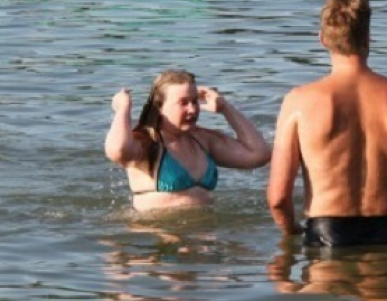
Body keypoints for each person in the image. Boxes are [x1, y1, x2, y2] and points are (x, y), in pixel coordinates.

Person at [267, 0, 387, 248]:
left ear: (322, 39)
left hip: (327, 234)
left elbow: (278, 198)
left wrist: (292, 231)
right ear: (368, 38)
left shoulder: (299, 101)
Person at [104, 69, 270, 212]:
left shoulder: (202, 140)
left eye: (194, 101)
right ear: (159, 107)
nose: (192, 109)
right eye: (183, 103)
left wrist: (225, 108)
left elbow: (258, 155)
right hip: (159, 237)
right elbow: (117, 151)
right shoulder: (147, 141)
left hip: (203, 236)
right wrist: (123, 109)